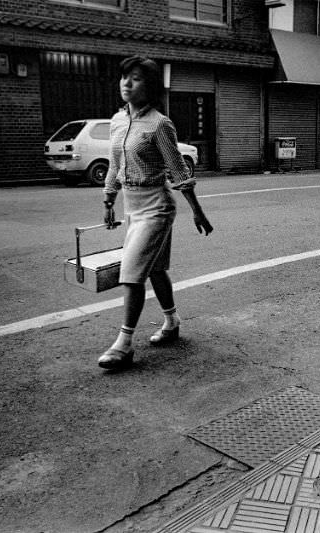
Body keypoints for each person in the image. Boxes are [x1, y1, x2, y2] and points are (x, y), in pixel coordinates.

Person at [98, 56, 213, 369]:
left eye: (135, 78)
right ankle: (172, 322)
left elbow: (178, 171)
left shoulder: (160, 124)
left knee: (131, 273)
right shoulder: (117, 121)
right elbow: (114, 164)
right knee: (155, 269)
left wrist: (197, 212)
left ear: (148, 86)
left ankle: (124, 345)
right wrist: (109, 197)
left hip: (157, 207)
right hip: (132, 206)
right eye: (124, 77)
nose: (127, 83)